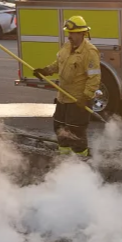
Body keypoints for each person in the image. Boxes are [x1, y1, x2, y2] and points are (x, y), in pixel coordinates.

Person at [35, 15, 101, 157]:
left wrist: (86, 97)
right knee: (59, 128)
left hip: (77, 100)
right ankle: (64, 159)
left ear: (82, 33)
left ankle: (81, 161)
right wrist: (46, 71)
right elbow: (59, 63)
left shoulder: (90, 52)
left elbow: (94, 78)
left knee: (75, 132)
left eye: (73, 33)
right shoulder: (67, 46)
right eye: (69, 33)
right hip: (63, 97)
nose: (69, 36)